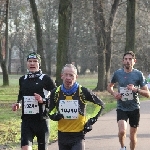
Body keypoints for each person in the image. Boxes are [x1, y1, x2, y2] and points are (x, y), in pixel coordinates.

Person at [49, 64, 105, 150]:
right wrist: (54, 116)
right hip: (62, 134)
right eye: (66, 75)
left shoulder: (83, 91)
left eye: (71, 75)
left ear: (76, 77)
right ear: (62, 76)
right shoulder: (55, 92)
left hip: (78, 134)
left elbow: (100, 105)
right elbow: (50, 111)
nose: (68, 78)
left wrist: (90, 120)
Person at [12, 52, 56, 150]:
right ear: (27, 63)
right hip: (27, 121)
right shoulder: (23, 79)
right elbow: (21, 96)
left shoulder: (45, 78)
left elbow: (56, 96)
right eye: (30, 61)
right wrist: (18, 104)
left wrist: (43, 100)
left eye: (35, 61)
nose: (32, 63)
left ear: (39, 64)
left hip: (42, 120)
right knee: (25, 148)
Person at [107, 51, 150, 150]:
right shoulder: (118, 73)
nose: (128, 61)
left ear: (134, 61)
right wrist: (114, 94)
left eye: (130, 59)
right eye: (126, 59)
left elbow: (148, 93)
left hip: (134, 108)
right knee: (122, 131)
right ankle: (122, 147)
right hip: (121, 107)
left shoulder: (138, 74)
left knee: (132, 136)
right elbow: (109, 87)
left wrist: (136, 89)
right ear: (123, 61)